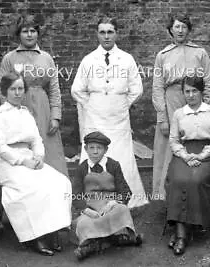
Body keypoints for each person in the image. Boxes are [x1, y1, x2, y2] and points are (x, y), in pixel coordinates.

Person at [0, 72, 72, 256]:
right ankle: (36, 237)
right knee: (33, 188)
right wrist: (23, 161)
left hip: (29, 157)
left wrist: (39, 156)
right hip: (8, 163)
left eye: (20, 89)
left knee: (60, 182)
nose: (18, 93)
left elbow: (36, 140)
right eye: (13, 89)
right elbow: (1, 148)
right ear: (5, 92)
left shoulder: (26, 114)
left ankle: (53, 230)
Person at [71, 16, 148, 208]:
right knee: (94, 153)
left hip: (119, 118)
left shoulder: (127, 59)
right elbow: (76, 89)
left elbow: (137, 88)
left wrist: (122, 104)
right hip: (95, 117)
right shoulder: (89, 60)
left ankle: (127, 201)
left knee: (121, 155)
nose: (106, 36)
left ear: (116, 34)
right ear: (97, 34)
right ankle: (92, 199)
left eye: (110, 32)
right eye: (102, 32)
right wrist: (91, 105)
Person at [152, 13, 210, 199]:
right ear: (171, 30)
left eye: (184, 27)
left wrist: (207, 111)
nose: (180, 30)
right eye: (177, 27)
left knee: (194, 144)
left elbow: (209, 84)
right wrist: (162, 118)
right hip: (171, 101)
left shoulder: (200, 53)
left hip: (195, 101)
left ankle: (195, 194)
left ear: (189, 30)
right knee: (169, 150)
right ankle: (166, 195)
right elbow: (157, 88)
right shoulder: (162, 56)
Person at [0, 14, 68, 176]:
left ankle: (52, 192)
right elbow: (3, 90)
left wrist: (55, 116)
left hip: (43, 109)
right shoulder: (9, 59)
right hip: (20, 108)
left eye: (32, 31)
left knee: (47, 149)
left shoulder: (46, 58)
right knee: (23, 147)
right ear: (18, 34)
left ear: (38, 33)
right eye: (25, 31)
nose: (29, 35)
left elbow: (54, 89)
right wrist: (8, 116)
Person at [166, 75, 210, 255]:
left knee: (196, 180)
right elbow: (174, 140)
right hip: (185, 153)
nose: (190, 95)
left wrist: (202, 155)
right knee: (177, 179)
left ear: (201, 92)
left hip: (207, 154)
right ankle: (182, 232)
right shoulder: (178, 114)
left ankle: (183, 232)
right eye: (187, 91)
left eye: (194, 91)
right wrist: (185, 156)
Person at [72, 131, 143, 260]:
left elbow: (125, 190)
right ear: (85, 149)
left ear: (106, 150)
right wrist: (87, 210)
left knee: (122, 210)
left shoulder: (113, 165)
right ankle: (110, 240)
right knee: (82, 224)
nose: (95, 152)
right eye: (91, 148)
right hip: (92, 209)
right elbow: (75, 194)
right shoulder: (82, 168)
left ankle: (98, 242)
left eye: (99, 148)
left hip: (111, 207)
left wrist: (112, 203)